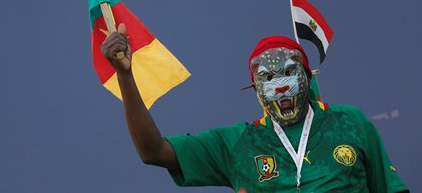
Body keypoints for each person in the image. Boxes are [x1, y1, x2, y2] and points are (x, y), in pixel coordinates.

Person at [101, 23, 409, 192]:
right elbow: (153, 152)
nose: (280, 86)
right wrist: (125, 76)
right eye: (267, 79)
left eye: (289, 74)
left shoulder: (349, 122)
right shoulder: (239, 143)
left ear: (307, 76)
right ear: (255, 89)